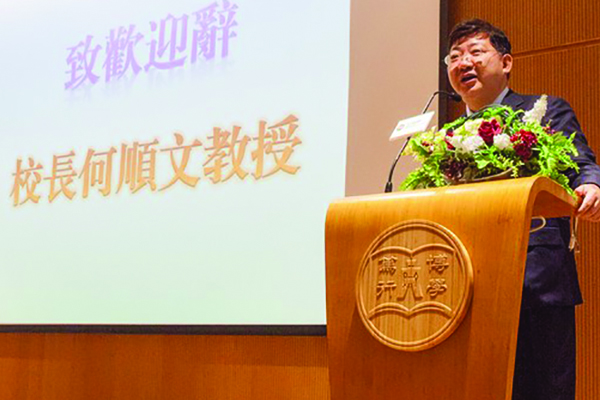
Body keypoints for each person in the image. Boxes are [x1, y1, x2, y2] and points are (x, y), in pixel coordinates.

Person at [445, 19, 600, 400]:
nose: (463, 62)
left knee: (542, 387)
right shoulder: (445, 137)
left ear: (507, 62)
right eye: (454, 57)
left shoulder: (543, 111)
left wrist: (591, 183)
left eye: (475, 52)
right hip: (467, 282)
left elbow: (580, 162)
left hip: (537, 277)